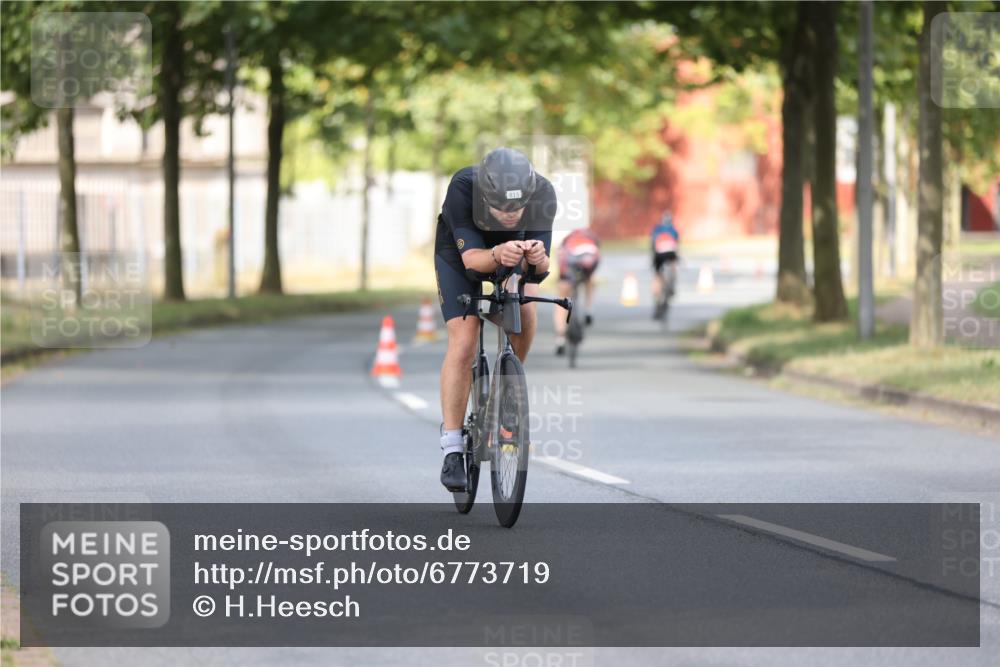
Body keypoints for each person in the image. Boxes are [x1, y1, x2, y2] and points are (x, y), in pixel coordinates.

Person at [434, 147, 555, 492]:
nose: (510, 213)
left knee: (525, 307)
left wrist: (538, 258)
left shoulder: (543, 192)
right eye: (501, 206)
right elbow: (472, 260)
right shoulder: (463, 186)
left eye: (517, 207)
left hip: (511, 253)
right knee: (465, 337)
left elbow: (540, 270)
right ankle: (453, 448)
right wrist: (496, 254)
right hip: (460, 254)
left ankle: (509, 393)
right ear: (485, 196)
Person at [554, 227, 600, 355]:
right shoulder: (591, 236)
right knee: (590, 279)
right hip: (590, 258)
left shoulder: (566, 240)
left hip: (569, 261)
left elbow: (561, 259)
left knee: (563, 297)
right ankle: (589, 309)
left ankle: (560, 338)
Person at [650, 211, 680, 313]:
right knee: (673, 264)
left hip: (658, 252)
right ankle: (672, 285)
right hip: (671, 252)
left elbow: (653, 244)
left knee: (658, 275)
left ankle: (656, 294)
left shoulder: (657, 229)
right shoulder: (674, 230)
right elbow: (676, 245)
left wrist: (653, 258)